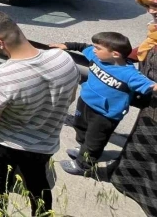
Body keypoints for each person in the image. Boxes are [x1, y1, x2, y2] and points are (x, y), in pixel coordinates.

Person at [0, 11, 80, 216]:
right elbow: (70, 97)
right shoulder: (63, 58)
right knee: (38, 184)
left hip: (4, 144)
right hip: (45, 142)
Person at [50, 32, 157, 176]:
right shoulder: (96, 56)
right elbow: (84, 47)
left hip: (106, 115)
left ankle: (84, 165)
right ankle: (83, 149)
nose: (94, 50)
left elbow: (152, 86)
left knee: (95, 140)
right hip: (86, 102)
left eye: (98, 48)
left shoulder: (130, 75)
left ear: (115, 54)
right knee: (80, 127)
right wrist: (67, 45)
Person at [110, 0, 157, 217]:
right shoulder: (155, 33)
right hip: (151, 103)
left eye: (155, 6)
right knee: (140, 143)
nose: (151, 11)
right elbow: (145, 49)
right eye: (148, 6)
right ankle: (126, 181)